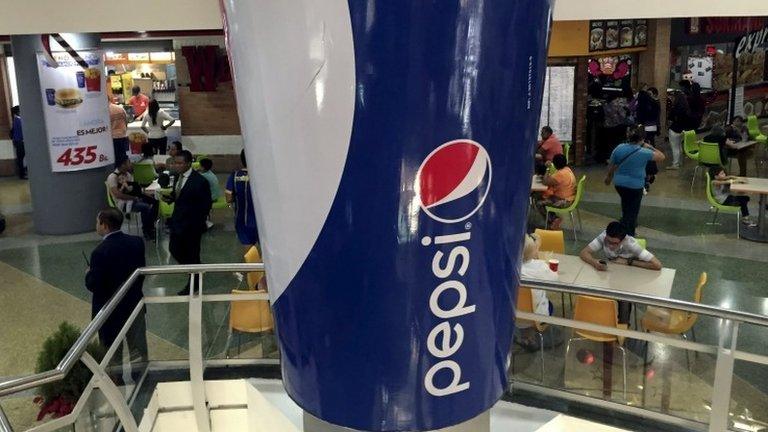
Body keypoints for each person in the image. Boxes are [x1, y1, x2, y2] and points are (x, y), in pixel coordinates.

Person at [85, 208, 147, 354]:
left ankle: (114, 378)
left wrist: (88, 274)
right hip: (134, 304)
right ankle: (140, 375)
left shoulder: (99, 252)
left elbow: (95, 285)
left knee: (111, 353)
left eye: (97, 222)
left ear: (104, 225)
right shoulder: (137, 243)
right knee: (138, 348)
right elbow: (141, 272)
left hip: (110, 311)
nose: (96, 225)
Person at [579, 221, 663, 323]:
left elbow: (657, 265)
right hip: (611, 276)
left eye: (615, 243)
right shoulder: (603, 237)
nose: (610, 246)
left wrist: (629, 261)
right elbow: (584, 253)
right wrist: (594, 263)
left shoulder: (631, 244)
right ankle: (600, 321)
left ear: (623, 240)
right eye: (608, 241)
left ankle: (623, 327)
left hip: (630, 279)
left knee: (624, 300)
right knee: (595, 291)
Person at [164, 150, 212, 295]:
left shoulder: (200, 181)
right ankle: (196, 271)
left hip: (191, 225)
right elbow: (180, 195)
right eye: (175, 163)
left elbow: (206, 204)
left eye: (180, 163)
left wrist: (196, 222)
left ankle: (194, 281)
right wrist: (171, 198)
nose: (176, 166)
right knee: (174, 249)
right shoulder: (177, 177)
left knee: (192, 254)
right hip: (178, 221)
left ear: (189, 163)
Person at [605, 125, 665, 237]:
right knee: (632, 212)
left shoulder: (619, 148)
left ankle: (624, 229)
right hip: (635, 186)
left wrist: (608, 177)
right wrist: (648, 146)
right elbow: (661, 157)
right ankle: (627, 235)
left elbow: (611, 164)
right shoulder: (644, 152)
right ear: (642, 139)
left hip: (619, 184)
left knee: (626, 206)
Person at [517, 233, 555, 351]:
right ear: (534, 251)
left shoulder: (510, 268)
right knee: (547, 304)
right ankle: (530, 338)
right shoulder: (541, 266)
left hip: (512, 315)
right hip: (536, 317)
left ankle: (525, 337)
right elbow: (554, 279)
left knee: (523, 303)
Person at [107, 156, 157, 240]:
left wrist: (145, 193)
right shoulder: (112, 177)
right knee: (145, 207)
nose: (130, 164)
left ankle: (151, 225)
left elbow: (134, 189)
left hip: (133, 198)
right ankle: (147, 230)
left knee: (155, 201)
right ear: (123, 164)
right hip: (122, 203)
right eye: (128, 162)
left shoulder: (128, 175)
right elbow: (118, 195)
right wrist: (134, 198)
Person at [226, 150, 260, 250]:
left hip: (242, 220)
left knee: (249, 251)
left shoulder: (235, 176)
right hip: (263, 222)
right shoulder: (262, 176)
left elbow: (228, 197)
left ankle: (252, 264)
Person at [535, 154, 576, 230]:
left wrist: (547, 168)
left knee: (539, 203)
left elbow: (545, 182)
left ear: (555, 164)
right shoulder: (567, 170)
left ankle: (553, 220)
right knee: (542, 196)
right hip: (570, 198)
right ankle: (554, 219)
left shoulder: (560, 174)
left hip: (562, 201)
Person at [667, 90, 691, 170]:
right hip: (683, 130)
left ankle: (675, 164)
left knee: (675, 147)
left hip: (674, 129)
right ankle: (680, 161)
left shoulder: (675, 108)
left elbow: (670, 119)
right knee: (679, 146)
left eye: (673, 97)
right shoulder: (686, 108)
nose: (672, 99)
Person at [9, 106, 26, 179]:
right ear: (18, 112)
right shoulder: (18, 120)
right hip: (20, 142)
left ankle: (22, 173)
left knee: (20, 158)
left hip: (18, 141)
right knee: (20, 158)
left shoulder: (15, 120)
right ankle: (22, 174)